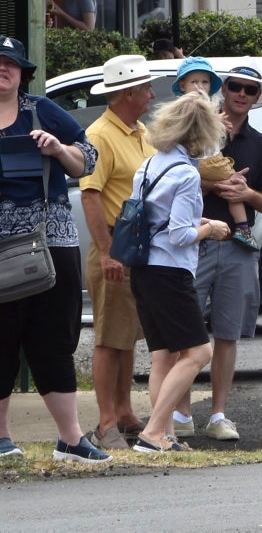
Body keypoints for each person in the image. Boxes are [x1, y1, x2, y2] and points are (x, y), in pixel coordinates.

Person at [0, 35, 110, 463]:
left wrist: (58, 147)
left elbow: (89, 158)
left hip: (51, 242)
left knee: (53, 340)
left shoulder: (42, 109)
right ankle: (2, 439)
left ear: (23, 73)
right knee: (1, 340)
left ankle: (70, 439)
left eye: (10, 64)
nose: (3, 70)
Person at [173, 66, 262, 441]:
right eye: (235, 86)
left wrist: (245, 195)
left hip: (237, 245)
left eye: (250, 90)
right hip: (193, 241)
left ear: (255, 98)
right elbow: (174, 179)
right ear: (224, 90)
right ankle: (181, 412)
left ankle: (218, 414)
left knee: (228, 333)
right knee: (184, 331)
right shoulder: (194, 134)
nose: (241, 94)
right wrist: (215, 183)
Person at [130, 93, 232, 453]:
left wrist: (196, 221)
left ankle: (164, 433)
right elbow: (179, 235)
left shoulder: (150, 164)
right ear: (203, 132)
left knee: (164, 354)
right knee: (199, 352)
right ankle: (155, 432)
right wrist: (212, 229)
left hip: (143, 269)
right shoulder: (187, 174)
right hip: (170, 271)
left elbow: (157, 217)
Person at [80, 55, 157, 451]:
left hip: (134, 247)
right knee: (109, 338)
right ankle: (106, 421)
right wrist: (107, 253)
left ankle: (124, 413)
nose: (152, 95)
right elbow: (90, 195)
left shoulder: (138, 129)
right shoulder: (99, 135)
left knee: (126, 334)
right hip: (114, 246)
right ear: (128, 93)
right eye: (146, 88)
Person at [171, 57, 257, 251]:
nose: (200, 87)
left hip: (200, 160)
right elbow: (191, 126)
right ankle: (243, 227)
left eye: (205, 82)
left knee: (209, 190)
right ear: (182, 85)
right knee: (232, 183)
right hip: (204, 159)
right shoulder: (186, 106)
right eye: (194, 82)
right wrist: (215, 122)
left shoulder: (207, 104)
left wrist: (217, 122)